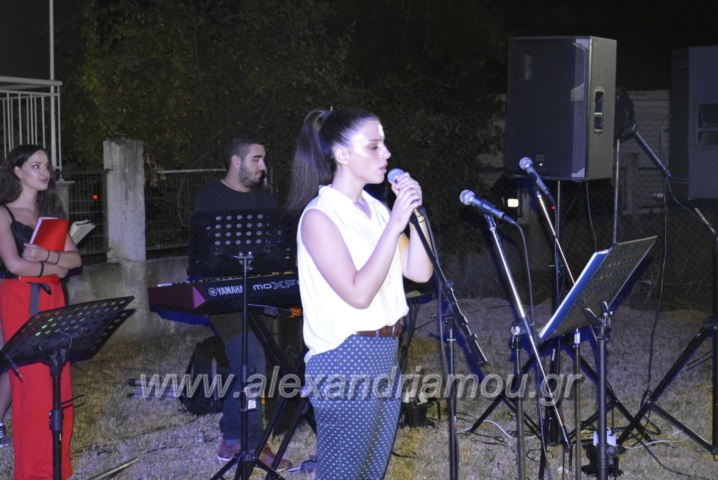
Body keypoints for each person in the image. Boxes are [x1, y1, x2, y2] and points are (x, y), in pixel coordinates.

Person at [284, 107, 434, 479]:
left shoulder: (377, 211)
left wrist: (416, 215)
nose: (387, 154)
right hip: (344, 358)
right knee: (343, 472)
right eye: (374, 146)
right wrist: (396, 223)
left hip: (385, 353)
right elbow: (358, 293)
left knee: (372, 471)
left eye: (384, 144)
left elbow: (420, 270)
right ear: (342, 154)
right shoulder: (319, 217)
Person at [193, 130, 292, 469]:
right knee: (251, 363)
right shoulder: (209, 197)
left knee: (250, 366)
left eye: (263, 159)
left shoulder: (264, 199)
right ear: (236, 161)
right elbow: (206, 257)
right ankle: (247, 441)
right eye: (256, 159)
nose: (263, 165)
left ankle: (236, 435)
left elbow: (275, 250)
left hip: (257, 293)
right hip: (225, 297)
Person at [0, 144, 82, 479]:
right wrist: (52, 266)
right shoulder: (3, 213)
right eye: (36, 166)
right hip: (20, 300)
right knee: (32, 387)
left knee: (58, 382)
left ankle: (57, 469)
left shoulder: (49, 215)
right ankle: (33, 473)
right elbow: (13, 264)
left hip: (53, 299)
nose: (45, 172)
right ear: (17, 171)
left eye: (47, 166)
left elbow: (74, 260)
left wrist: (47, 258)